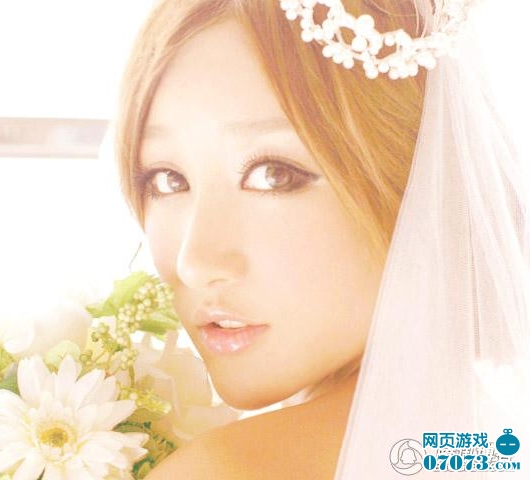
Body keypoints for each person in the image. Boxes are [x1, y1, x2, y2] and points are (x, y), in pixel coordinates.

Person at [114, 0, 530, 478]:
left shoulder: (229, 469)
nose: (194, 262)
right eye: (167, 179)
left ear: (418, 173)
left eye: (273, 174)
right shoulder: (489, 444)